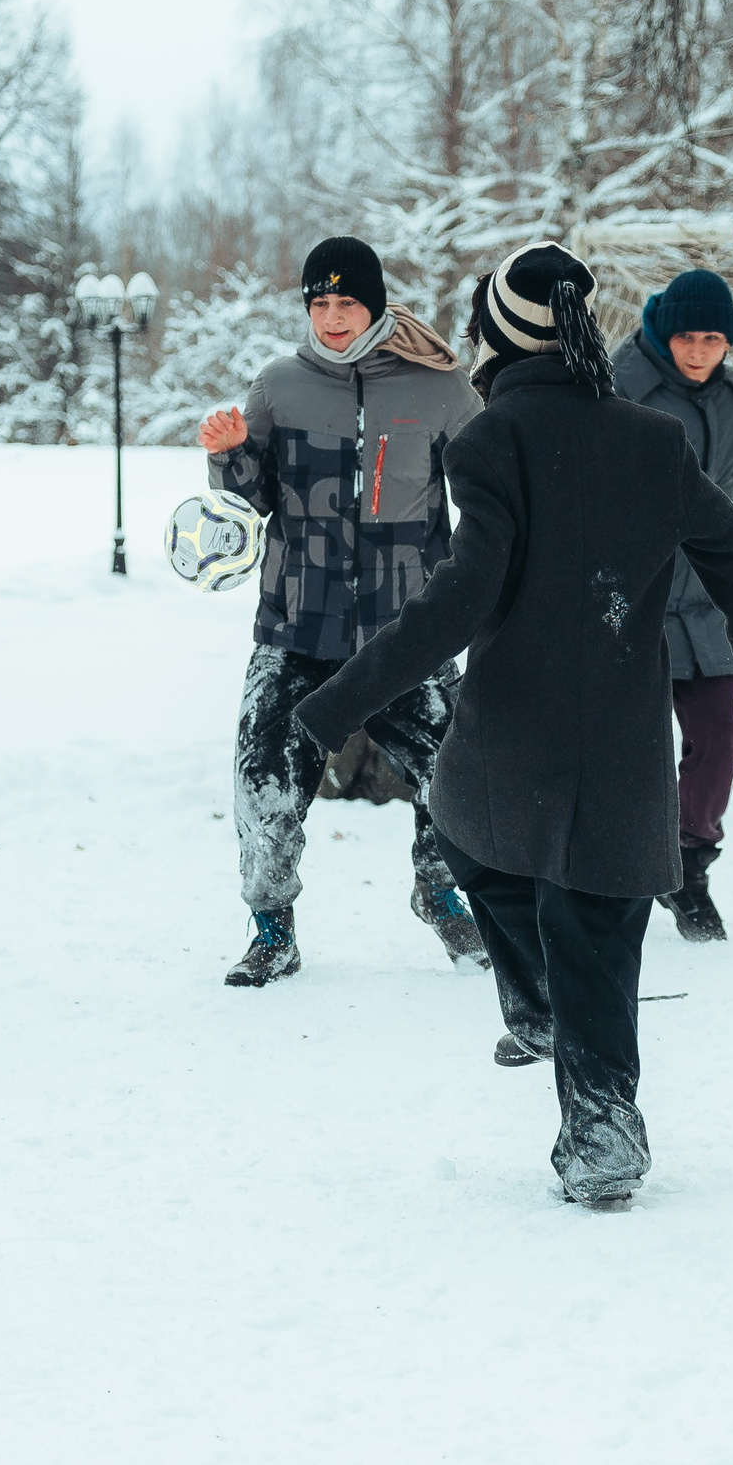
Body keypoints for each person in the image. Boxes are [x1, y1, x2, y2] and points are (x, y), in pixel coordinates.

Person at [294, 241, 733, 1209]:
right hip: (626, 738)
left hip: (512, 731)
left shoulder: (490, 440)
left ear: (498, 335)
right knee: (599, 925)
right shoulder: (650, 439)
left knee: (465, 833)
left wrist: (343, 697)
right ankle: (601, 1123)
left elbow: (463, 597)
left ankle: (555, 1031)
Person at [197, 236, 487, 987]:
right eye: (318, 303)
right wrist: (231, 455)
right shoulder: (280, 385)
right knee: (263, 784)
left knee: (456, 774)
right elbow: (247, 504)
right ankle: (271, 930)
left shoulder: (440, 389)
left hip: (405, 632)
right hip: (296, 627)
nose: (331, 316)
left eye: (346, 301)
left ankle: (441, 894)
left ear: (375, 303)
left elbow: (492, 498)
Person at [609, 268, 733, 942]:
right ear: (662, 335)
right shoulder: (617, 389)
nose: (698, 351)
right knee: (622, 748)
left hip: (704, 599)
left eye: (712, 339)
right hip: (627, 598)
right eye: (686, 338)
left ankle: (689, 866)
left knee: (720, 743)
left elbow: (729, 500)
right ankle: (611, 874)